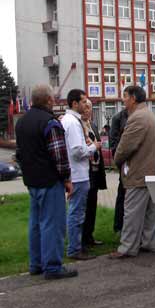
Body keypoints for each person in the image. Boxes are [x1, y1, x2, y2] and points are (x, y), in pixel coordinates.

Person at [15, 84, 77, 279]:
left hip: (31, 180)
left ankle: (36, 264)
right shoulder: (51, 123)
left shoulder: (21, 122)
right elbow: (59, 156)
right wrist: (67, 179)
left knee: (35, 224)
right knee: (53, 224)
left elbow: (19, 153)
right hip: (50, 181)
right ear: (49, 100)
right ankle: (52, 267)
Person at [109, 86, 155, 258]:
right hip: (151, 171)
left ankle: (127, 248)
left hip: (139, 171)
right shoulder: (148, 114)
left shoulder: (137, 117)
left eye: (124, 96)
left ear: (133, 98)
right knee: (149, 212)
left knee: (132, 212)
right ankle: (149, 242)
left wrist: (116, 159)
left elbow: (125, 147)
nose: (123, 100)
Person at [62, 89, 101, 260]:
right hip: (77, 174)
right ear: (74, 103)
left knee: (78, 212)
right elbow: (77, 151)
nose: (86, 104)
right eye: (83, 101)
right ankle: (74, 249)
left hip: (79, 173)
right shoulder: (71, 122)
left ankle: (77, 247)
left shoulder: (73, 120)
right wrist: (94, 147)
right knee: (76, 213)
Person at [81, 99, 107, 250]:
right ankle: (82, 239)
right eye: (85, 107)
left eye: (90, 107)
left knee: (92, 206)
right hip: (85, 171)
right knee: (83, 207)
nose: (87, 110)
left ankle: (89, 235)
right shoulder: (79, 126)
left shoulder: (94, 125)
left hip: (96, 172)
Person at [110, 104, 128, 232]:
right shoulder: (118, 118)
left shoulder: (140, 115)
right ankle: (119, 226)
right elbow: (114, 142)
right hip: (124, 162)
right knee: (122, 193)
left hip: (138, 163)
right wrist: (120, 160)